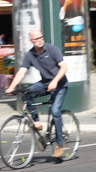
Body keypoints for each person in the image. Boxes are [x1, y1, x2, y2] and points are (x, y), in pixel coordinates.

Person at [5, 29, 68, 158]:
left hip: (60, 84)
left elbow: (64, 67)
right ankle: (37, 122)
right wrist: (11, 87)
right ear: (31, 41)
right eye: (36, 39)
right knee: (27, 94)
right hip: (45, 83)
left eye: (41, 37)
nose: (40, 40)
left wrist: (55, 81)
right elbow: (22, 72)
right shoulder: (30, 55)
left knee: (55, 111)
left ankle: (60, 145)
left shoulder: (52, 49)